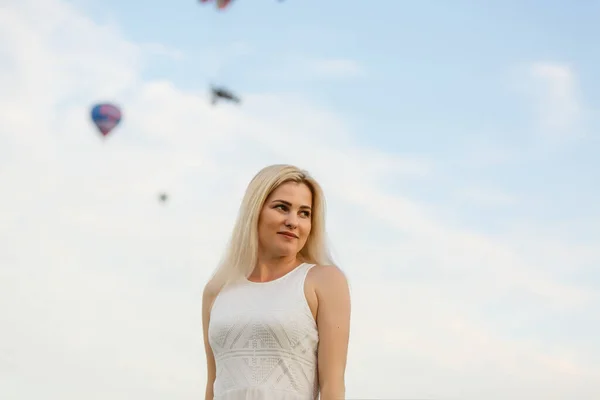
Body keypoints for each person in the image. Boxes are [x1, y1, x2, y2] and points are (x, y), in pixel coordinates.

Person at [202, 164, 351, 400]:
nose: (293, 221)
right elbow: (212, 386)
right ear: (255, 211)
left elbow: (333, 388)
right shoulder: (216, 290)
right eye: (282, 208)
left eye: (304, 213)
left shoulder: (324, 281)